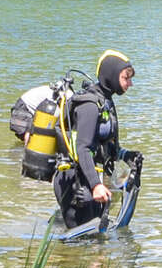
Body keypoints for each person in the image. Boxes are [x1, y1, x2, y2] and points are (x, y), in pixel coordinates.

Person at [53, 51, 138, 232]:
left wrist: (127, 155)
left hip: (88, 178)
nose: (130, 83)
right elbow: (83, 148)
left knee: (97, 236)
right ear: (111, 76)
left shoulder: (104, 101)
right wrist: (96, 185)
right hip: (75, 183)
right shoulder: (90, 105)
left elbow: (103, 144)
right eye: (126, 78)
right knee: (84, 240)